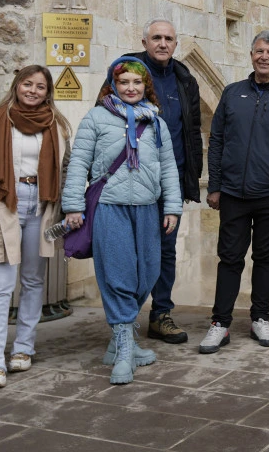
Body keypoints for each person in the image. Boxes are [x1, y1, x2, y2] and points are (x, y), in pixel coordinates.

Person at [62, 56, 181, 384]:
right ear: (113, 85)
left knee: (148, 273)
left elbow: (169, 168)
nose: (130, 88)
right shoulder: (96, 118)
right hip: (109, 207)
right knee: (117, 275)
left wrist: (172, 207)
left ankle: (118, 341)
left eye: (137, 82)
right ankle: (125, 350)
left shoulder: (156, 122)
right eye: (124, 82)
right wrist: (73, 206)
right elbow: (78, 163)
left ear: (146, 86)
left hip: (147, 208)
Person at [199, 30, 269, 353]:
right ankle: (220, 324)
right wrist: (215, 186)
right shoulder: (232, 93)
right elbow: (217, 141)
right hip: (234, 194)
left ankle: (260, 318)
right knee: (229, 259)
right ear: (251, 55)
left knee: (266, 258)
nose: (264, 57)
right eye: (259, 51)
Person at [0, 65, 72, 389]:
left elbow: (66, 170)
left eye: (40, 86)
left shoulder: (57, 125)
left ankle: (23, 348)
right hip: (4, 205)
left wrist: (64, 209)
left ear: (48, 92)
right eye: (27, 84)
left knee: (32, 281)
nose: (33, 91)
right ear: (16, 85)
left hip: (42, 206)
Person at [125, 19, 203, 345]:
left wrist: (192, 178)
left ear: (175, 44)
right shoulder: (127, 72)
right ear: (144, 41)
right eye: (156, 37)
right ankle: (125, 318)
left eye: (168, 38)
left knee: (165, 250)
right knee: (131, 250)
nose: (162, 43)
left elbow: (193, 131)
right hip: (132, 180)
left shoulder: (185, 80)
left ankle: (160, 314)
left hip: (171, 181)